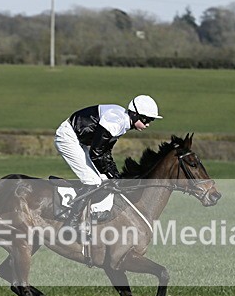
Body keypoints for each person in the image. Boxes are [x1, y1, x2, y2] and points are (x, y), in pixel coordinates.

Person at [54, 95, 162, 224]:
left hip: (81, 141)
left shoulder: (123, 124)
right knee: (92, 180)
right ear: (134, 114)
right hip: (68, 137)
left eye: (150, 120)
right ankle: (72, 222)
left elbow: (105, 153)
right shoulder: (116, 122)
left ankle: (95, 215)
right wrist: (111, 175)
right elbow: (96, 152)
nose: (148, 124)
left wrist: (115, 175)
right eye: (146, 119)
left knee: (105, 180)